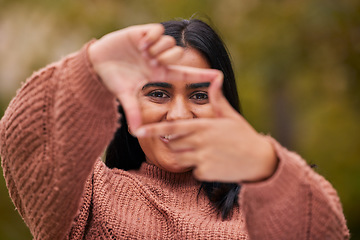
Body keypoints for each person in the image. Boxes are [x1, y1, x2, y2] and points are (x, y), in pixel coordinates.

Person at [0, 18, 349, 239]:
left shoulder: (270, 199)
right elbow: (27, 141)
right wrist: (91, 67)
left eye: (199, 94)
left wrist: (265, 164)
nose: (179, 115)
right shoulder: (88, 197)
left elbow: (324, 230)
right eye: (157, 93)